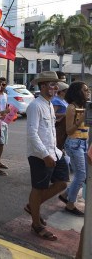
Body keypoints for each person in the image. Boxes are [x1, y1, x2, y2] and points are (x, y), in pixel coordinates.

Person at [25, 71, 68, 241]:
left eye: (55, 85)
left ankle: (32, 206)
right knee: (38, 188)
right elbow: (32, 134)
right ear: (43, 86)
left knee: (62, 182)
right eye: (52, 84)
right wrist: (44, 155)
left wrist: (56, 151)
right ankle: (36, 224)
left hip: (54, 152)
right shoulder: (35, 105)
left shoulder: (49, 104)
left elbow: (49, 130)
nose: (56, 87)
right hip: (39, 155)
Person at [58, 81, 90, 216]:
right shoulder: (72, 107)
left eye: (88, 90)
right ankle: (70, 204)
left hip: (83, 143)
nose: (88, 92)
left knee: (83, 175)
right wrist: (82, 118)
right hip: (74, 143)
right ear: (78, 92)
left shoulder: (85, 106)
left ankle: (66, 195)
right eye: (85, 90)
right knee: (81, 175)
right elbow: (69, 130)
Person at [52, 82, 69, 151]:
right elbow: (52, 113)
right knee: (59, 144)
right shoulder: (56, 100)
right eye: (66, 91)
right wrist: (64, 114)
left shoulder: (63, 100)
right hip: (59, 125)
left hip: (65, 125)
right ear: (61, 92)